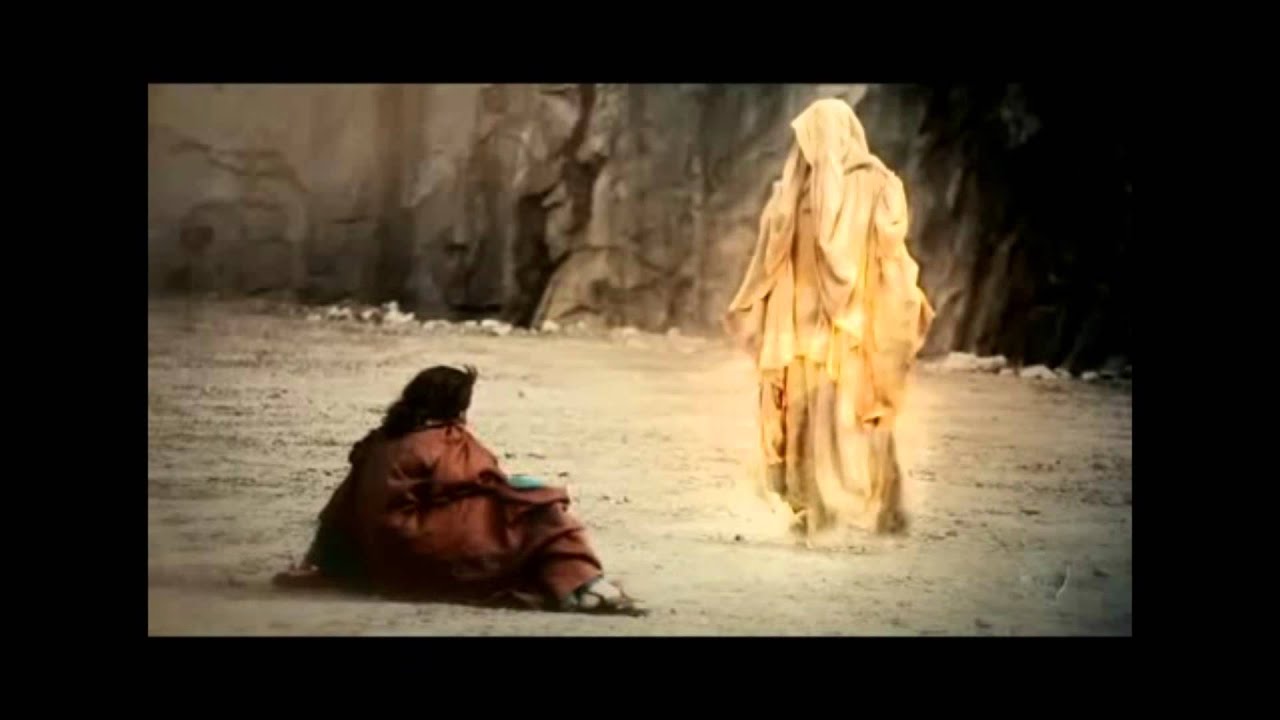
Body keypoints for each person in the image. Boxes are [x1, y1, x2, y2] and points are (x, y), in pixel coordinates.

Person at [274, 364, 645, 616]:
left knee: (521, 514)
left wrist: (321, 561)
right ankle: (586, 588)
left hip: (380, 557)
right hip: (416, 550)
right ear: (454, 407)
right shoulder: (445, 439)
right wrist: (540, 493)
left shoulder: (379, 440)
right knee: (542, 516)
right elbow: (488, 481)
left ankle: (579, 586)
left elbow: (340, 506)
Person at [725, 98, 935, 537]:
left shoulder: (876, 184)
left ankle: (875, 507)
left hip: (851, 326)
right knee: (805, 417)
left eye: (811, 138)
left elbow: (889, 248)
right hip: (802, 329)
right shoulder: (794, 191)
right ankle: (814, 508)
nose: (805, 149)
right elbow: (772, 257)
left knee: (852, 415)